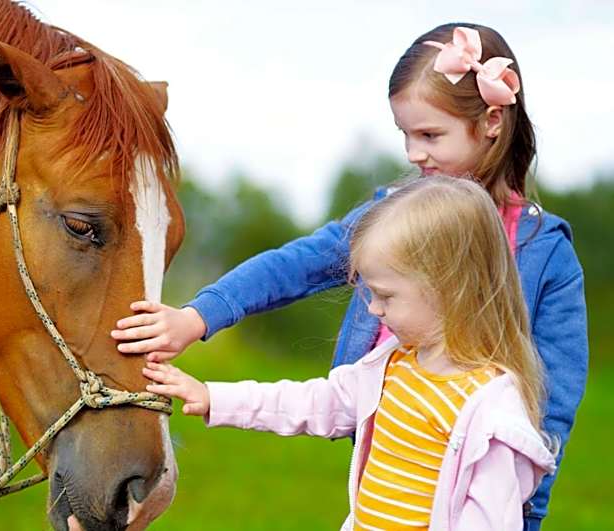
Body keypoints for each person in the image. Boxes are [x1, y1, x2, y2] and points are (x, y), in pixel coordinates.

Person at [111, 23, 587, 529]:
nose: (412, 154)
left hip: (474, 483)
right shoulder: (392, 218)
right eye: (405, 134)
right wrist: (197, 317)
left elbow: (548, 409)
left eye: (429, 135)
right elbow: (293, 266)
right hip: (390, 461)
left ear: (492, 121)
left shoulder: (544, 252)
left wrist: (525, 510)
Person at [143, 176, 558, 530]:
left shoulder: (494, 418)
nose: (373, 310)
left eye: (385, 296)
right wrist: (214, 397)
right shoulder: (391, 367)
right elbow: (313, 402)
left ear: (451, 289)